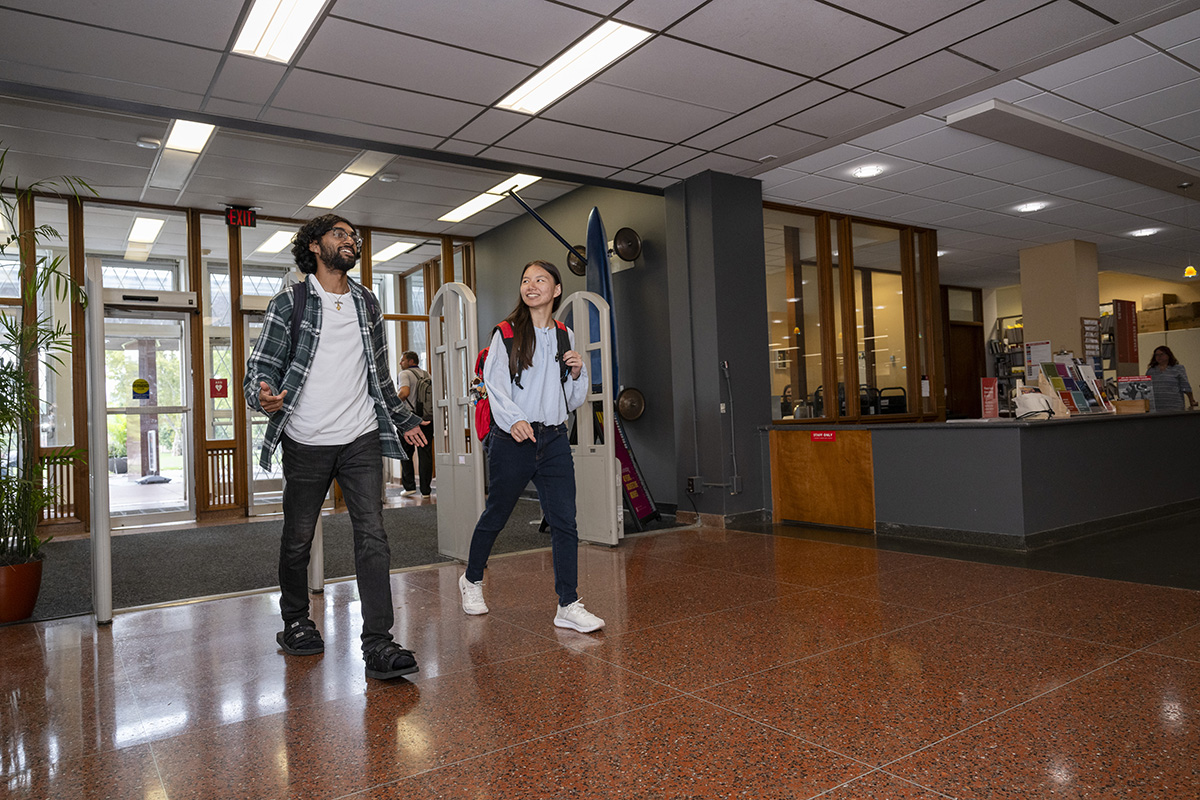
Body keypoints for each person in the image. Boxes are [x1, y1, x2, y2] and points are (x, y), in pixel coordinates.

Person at [244, 214, 428, 680]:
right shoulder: (291, 301)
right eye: (340, 234)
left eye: (354, 235)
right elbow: (260, 368)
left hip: (360, 436)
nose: (351, 240)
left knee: (373, 535)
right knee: (298, 537)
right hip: (306, 440)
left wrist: (404, 420)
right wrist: (264, 395)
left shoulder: (367, 302)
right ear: (313, 245)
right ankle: (296, 621)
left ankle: (378, 643)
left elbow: (379, 375)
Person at [458, 260, 604, 633]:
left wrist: (576, 372)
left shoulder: (564, 334)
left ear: (556, 290)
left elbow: (571, 400)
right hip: (513, 440)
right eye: (526, 280)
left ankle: (568, 603)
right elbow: (494, 385)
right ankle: (472, 580)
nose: (531, 285)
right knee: (497, 514)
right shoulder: (505, 333)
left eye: (541, 280)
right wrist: (514, 419)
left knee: (564, 521)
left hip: (553, 438)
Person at [396, 350, 433, 497]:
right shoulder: (427, 374)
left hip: (409, 418)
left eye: (402, 360)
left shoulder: (404, 374)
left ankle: (409, 486)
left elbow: (404, 392)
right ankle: (426, 490)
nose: (400, 363)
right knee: (425, 454)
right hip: (427, 417)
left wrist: (394, 406)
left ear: (411, 361)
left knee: (405, 452)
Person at [1146, 345, 1198, 412]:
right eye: (1156, 355)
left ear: (1168, 355)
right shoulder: (1150, 371)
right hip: (1156, 406)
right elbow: (1147, 388)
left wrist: (1191, 400)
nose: (1159, 357)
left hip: (1174, 405)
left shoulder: (1178, 368)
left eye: (1162, 354)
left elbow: (1185, 386)